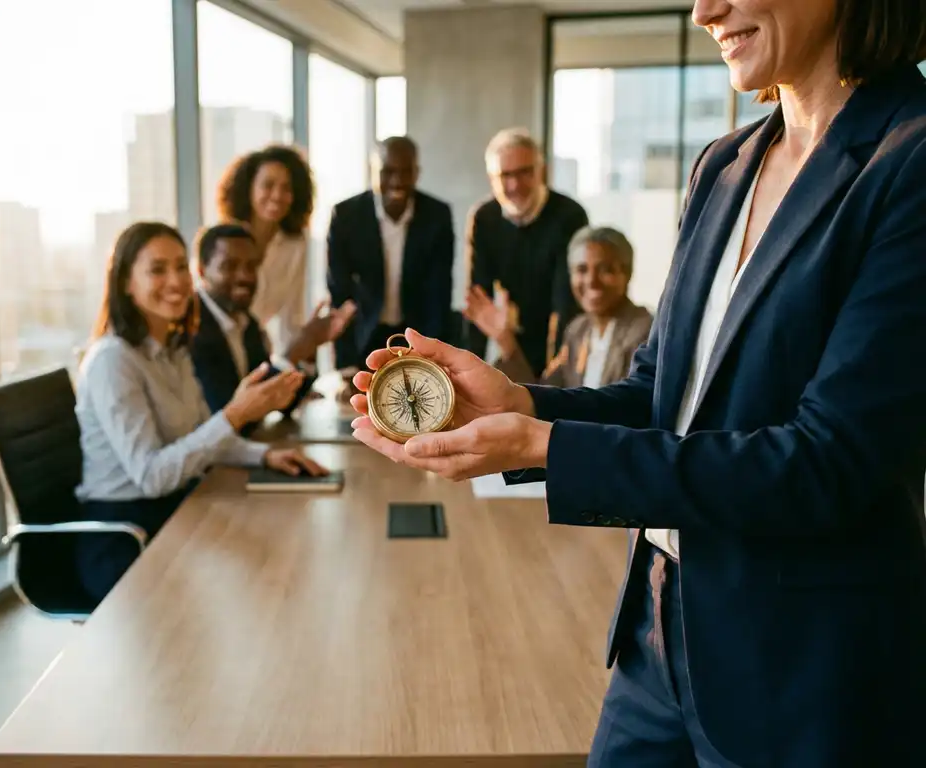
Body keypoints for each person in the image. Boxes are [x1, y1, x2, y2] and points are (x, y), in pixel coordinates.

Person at [350, 0, 926, 764]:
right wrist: (521, 404)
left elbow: (826, 463)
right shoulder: (724, 164)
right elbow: (662, 393)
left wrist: (549, 448)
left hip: (801, 670)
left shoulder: (910, 161)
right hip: (657, 635)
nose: (703, 10)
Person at [76, 222, 327, 603]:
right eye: (157, 270)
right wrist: (235, 415)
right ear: (126, 282)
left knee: (281, 558)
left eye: (180, 266)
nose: (175, 280)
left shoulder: (173, 349)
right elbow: (152, 476)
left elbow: (199, 437)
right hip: (125, 534)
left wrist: (264, 455)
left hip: (173, 510)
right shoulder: (114, 361)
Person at [327, 136, 455, 399]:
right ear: (372, 172)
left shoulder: (437, 216)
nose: (397, 181)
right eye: (387, 172)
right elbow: (340, 295)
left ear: (417, 173)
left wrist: (432, 358)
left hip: (415, 332)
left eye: (405, 172)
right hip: (364, 335)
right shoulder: (346, 216)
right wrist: (346, 366)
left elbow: (438, 294)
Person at [191, 223, 350, 431]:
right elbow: (233, 416)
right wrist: (295, 351)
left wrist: (310, 349)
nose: (244, 277)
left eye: (251, 266)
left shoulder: (247, 324)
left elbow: (281, 403)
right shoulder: (192, 326)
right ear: (202, 270)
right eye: (229, 266)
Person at [464, 128, 588, 380]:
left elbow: (565, 304)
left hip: (562, 334)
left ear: (541, 171)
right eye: (505, 175)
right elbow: (479, 299)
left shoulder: (570, 215)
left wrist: (554, 377)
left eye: (524, 172)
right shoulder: (484, 217)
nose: (515, 185)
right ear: (491, 178)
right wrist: (468, 370)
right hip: (513, 332)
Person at [216, 145, 354, 364]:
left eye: (287, 188)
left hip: (257, 353)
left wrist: (295, 374)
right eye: (268, 185)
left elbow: (291, 317)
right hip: (218, 348)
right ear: (249, 188)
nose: (278, 195)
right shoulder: (223, 242)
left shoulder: (296, 243)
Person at [464, 225, 652, 386]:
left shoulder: (645, 332)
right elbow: (544, 395)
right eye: (581, 270)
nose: (591, 281)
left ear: (627, 273)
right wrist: (505, 339)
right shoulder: (578, 330)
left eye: (605, 270)